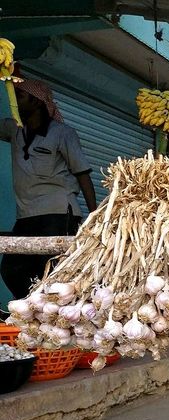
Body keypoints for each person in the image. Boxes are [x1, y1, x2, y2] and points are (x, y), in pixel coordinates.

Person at [0, 78, 97, 299]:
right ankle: (31, 311)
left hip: (58, 214)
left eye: (20, 97)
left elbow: (83, 175)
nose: (15, 102)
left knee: (53, 272)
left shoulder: (63, 133)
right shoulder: (15, 129)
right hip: (26, 216)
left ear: (36, 102)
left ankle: (52, 317)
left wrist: (95, 215)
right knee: (12, 269)